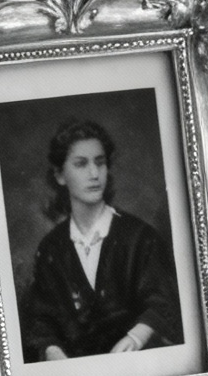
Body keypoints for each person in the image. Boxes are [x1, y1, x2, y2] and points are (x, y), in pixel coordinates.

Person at [18, 117, 182, 362]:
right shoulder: (51, 248)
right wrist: (53, 351)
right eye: (81, 164)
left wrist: (136, 337)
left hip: (139, 366)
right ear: (60, 175)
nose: (94, 174)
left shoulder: (139, 238)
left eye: (100, 163)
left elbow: (163, 304)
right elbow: (42, 321)